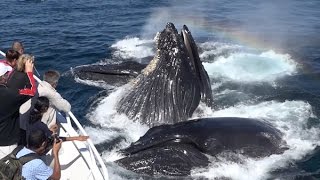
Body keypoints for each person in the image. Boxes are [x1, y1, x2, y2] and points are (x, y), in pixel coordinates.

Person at [0, 60, 36, 159]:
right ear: (4, 77)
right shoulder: (11, 95)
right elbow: (31, 91)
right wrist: (29, 72)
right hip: (6, 141)